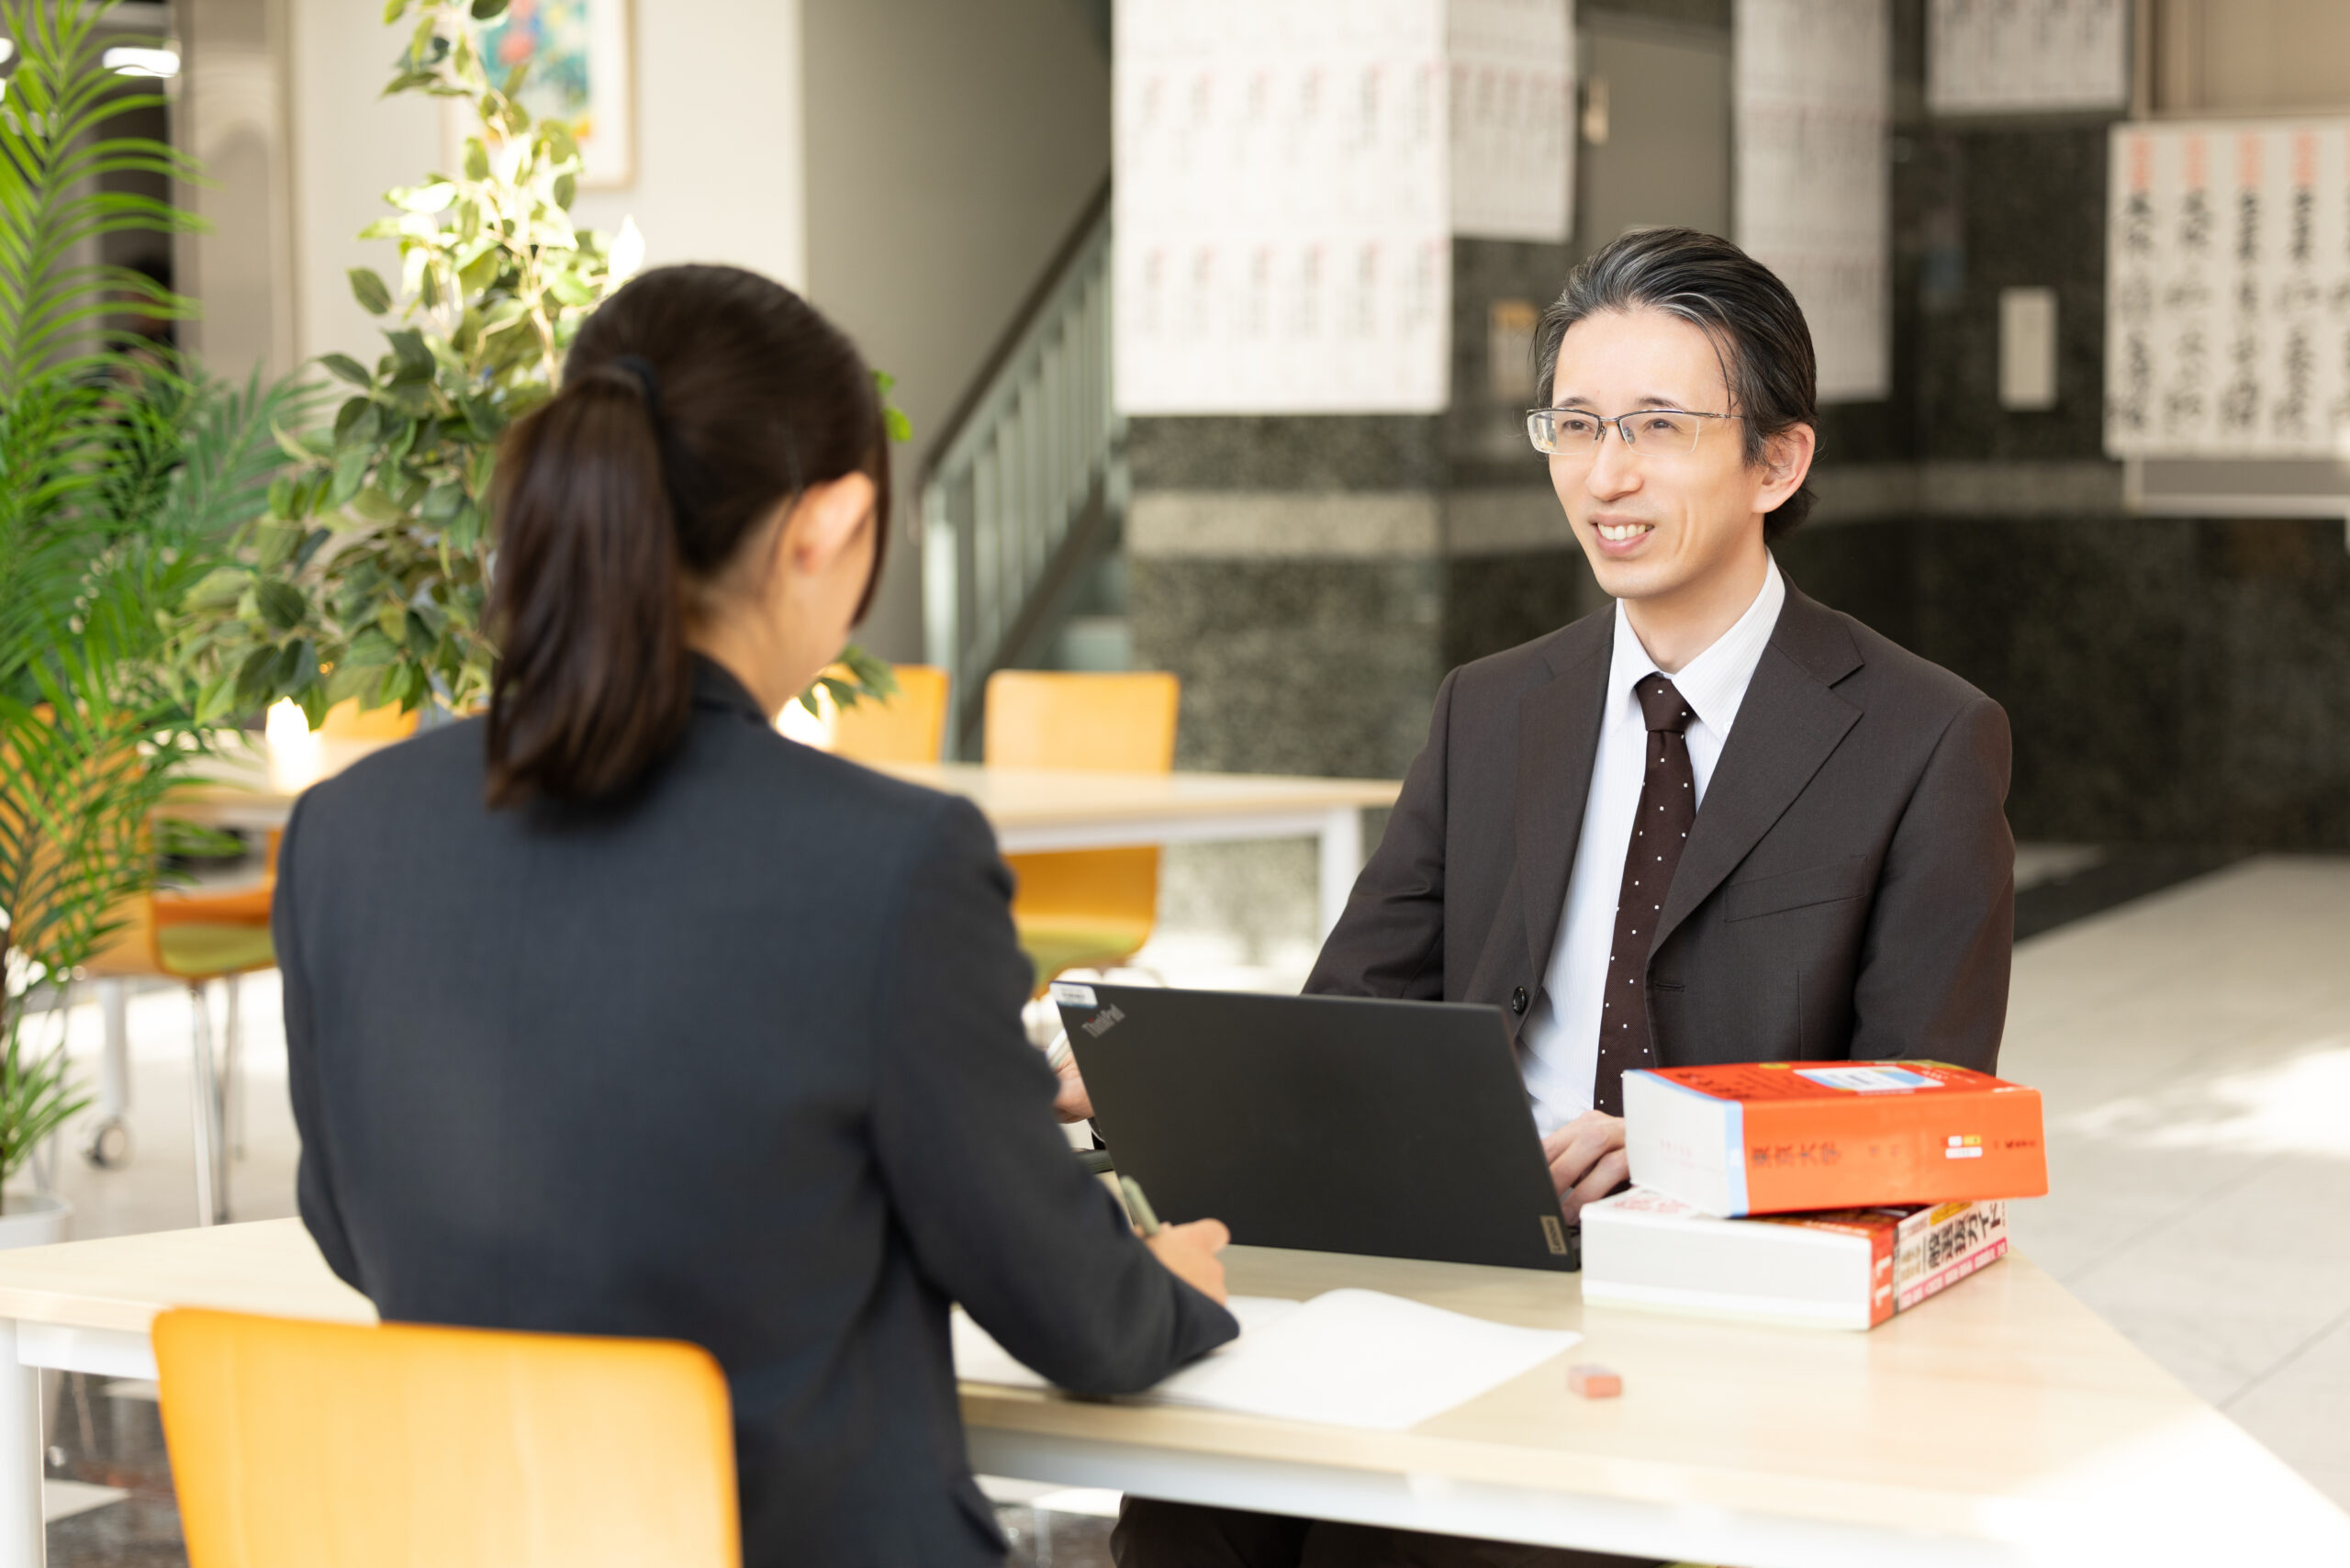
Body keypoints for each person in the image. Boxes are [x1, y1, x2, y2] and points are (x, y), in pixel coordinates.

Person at [274, 263, 1238, 1568]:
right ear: (828, 525)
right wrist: (1173, 1291)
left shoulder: (346, 833)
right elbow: (1083, 1323)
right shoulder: (889, 862)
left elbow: (353, 1229)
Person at [1107, 229, 2014, 1566]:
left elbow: (1931, 1115)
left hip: (1710, 1284)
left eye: (1655, 427)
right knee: (1193, 1464)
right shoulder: (1494, 706)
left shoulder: (1923, 736)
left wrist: (1689, 1149)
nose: (1605, 476)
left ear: (1779, 459)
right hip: (1457, 1247)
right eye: (1575, 425)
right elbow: (1355, 1008)